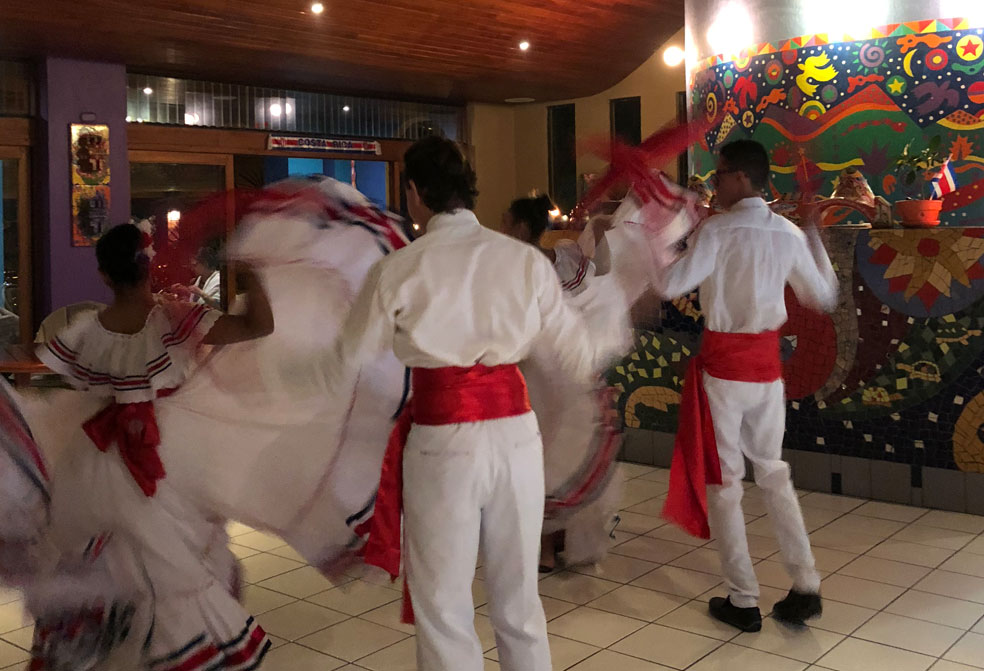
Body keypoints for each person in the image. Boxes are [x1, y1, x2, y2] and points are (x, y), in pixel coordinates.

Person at [325, 137, 629, 671]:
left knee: (443, 605)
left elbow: (348, 363)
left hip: (443, 442)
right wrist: (618, 314)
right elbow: (579, 352)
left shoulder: (399, 269)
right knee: (518, 598)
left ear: (414, 193)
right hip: (516, 439)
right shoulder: (524, 262)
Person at [33, 222, 275, 669]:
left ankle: (110, 649)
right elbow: (259, 325)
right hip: (172, 458)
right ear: (150, 269)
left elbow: (69, 380)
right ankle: (177, 651)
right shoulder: (174, 321)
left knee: (110, 562)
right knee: (177, 564)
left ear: (104, 276)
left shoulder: (86, 329)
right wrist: (253, 268)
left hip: (97, 462)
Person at [657, 139, 837, 632]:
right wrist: (813, 233)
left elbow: (669, 285)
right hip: (766, 371)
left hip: (724, 372)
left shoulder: (717, 230)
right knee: (774, 472)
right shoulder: (786, 233)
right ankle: (806, 586)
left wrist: (671, 238)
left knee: (726, 483)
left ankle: (743, 598)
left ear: (739, 178)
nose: (714, 186)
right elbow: (823, 296)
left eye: (719, 177)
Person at [501, 195, 622, 573]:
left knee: (538, 460)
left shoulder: (515, 267)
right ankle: (564, 540)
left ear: (521, 227)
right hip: (574, 372)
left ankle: (544, 550)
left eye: (506, 222)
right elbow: (601, 282)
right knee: (567, 458)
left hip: (534, 375)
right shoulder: (567, 258)